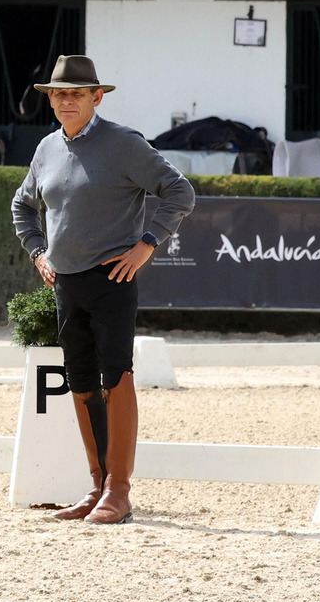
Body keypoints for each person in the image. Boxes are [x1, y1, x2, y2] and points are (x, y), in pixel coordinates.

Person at [10, 55, 195, 524]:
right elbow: (22, 204)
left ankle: (119, 489)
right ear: (49, 100)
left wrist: (146, 246)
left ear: (97, 97)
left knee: (117, 378)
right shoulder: (47, 148)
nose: (66, 100)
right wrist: (38, 254)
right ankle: (95, 485)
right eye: (58, 93)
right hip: (65, 282)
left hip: (113, 279)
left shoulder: (124, 144)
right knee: (80, 380)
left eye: (76, 93)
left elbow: (179, 191)